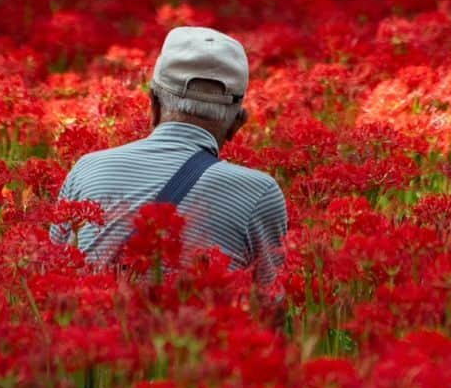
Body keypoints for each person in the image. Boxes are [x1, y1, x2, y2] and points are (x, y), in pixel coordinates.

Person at [50, 26, 288, 294]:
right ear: (237, 124)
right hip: (201, 333)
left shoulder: (87, 169)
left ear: (153, 104)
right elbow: (270, 310)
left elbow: (52, 276)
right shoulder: (259, 193)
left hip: (96, 331)